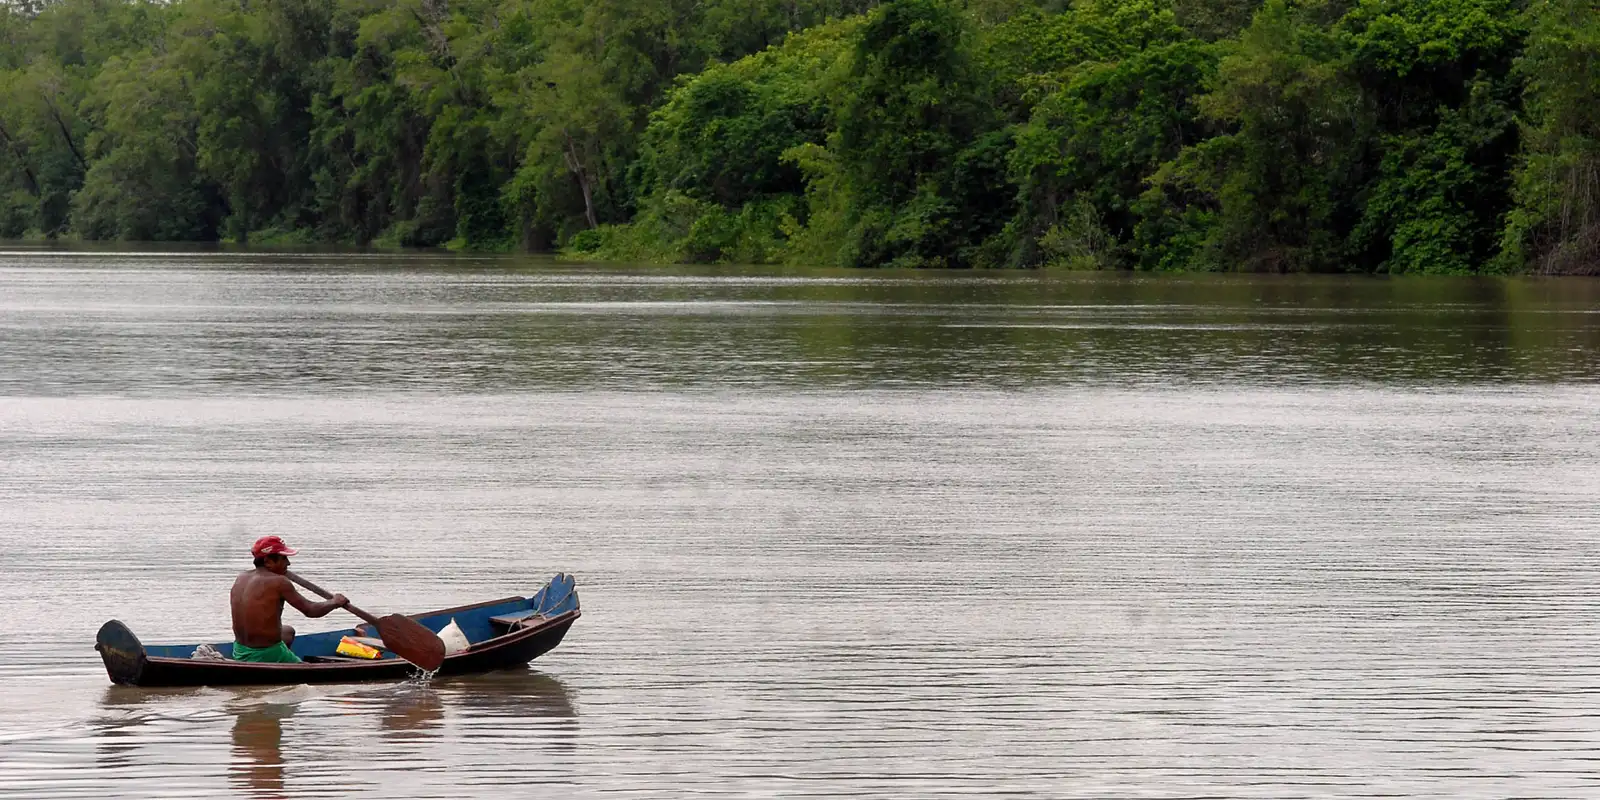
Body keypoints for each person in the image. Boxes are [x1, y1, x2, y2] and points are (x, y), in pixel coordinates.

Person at [230, 536, 348, 663]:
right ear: (268, 561)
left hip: (239, 650)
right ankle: (284, 661)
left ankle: (284, 658)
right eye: (283, 558)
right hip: (266, 653)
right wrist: (334, 602)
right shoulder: (279, 581)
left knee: (288, 631)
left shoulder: (241, 577)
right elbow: (311, 611)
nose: (288, 563)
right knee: (306, 668)